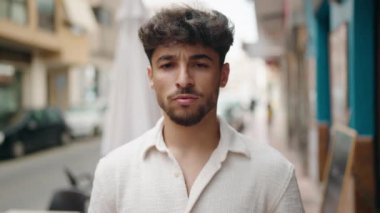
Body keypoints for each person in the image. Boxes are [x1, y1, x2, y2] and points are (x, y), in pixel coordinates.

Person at [88, 5, 304, 213]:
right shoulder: (113, 174)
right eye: (167, 65)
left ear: (223, 75)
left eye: (200, 65)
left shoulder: (274, 174)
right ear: (150, 77)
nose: (183, 80)